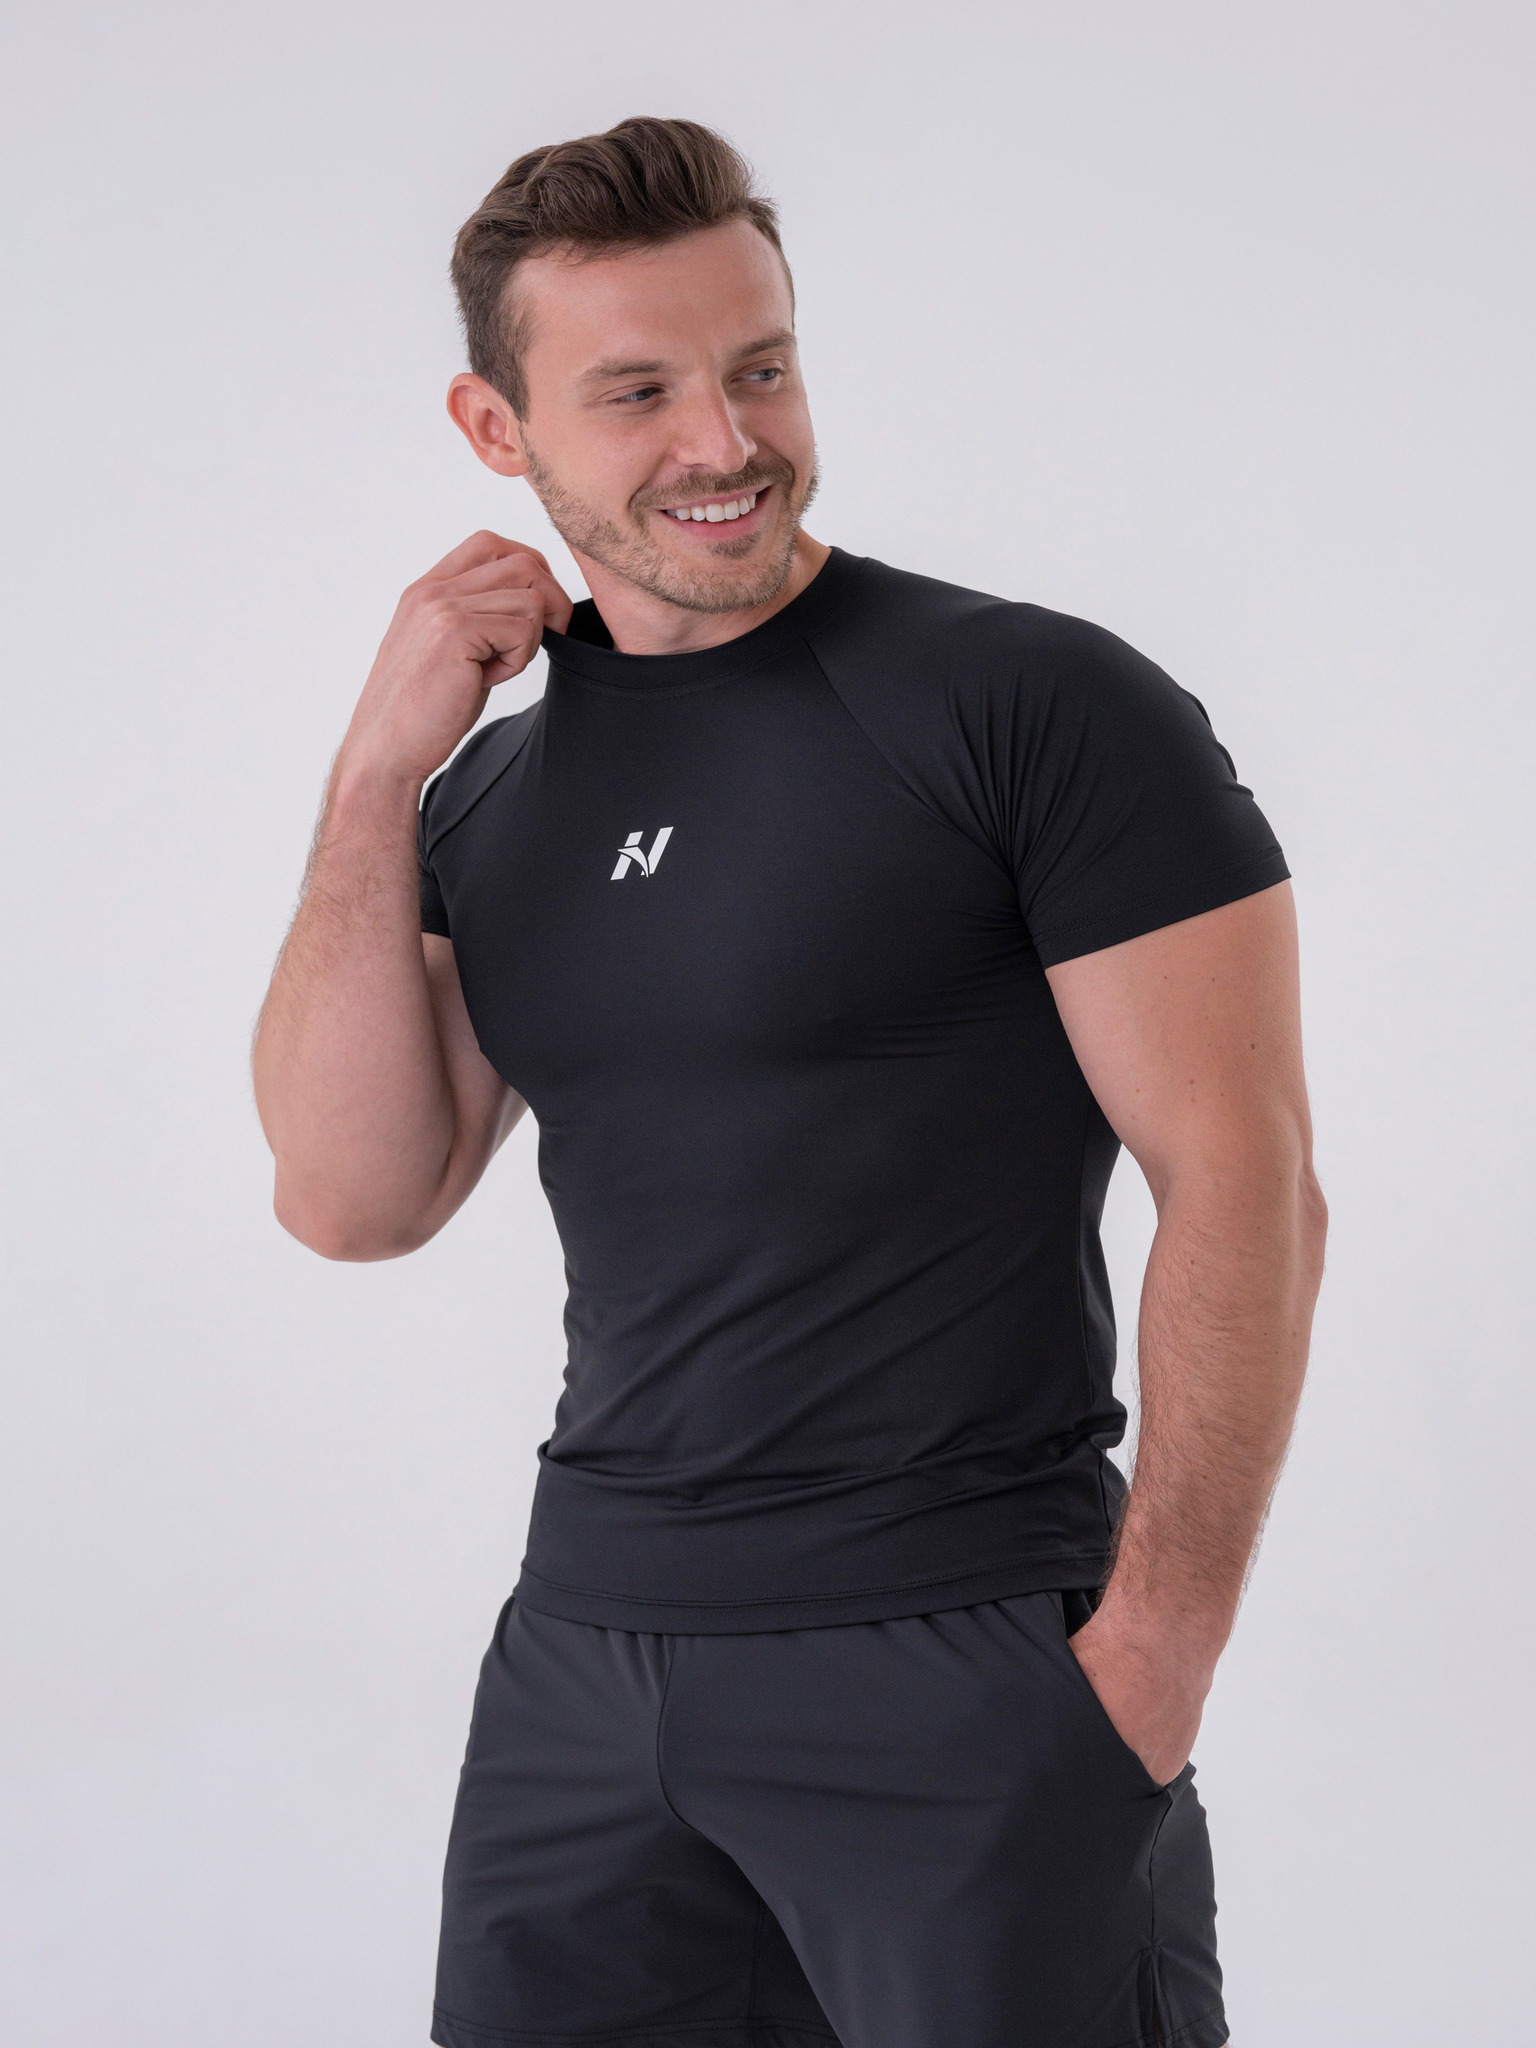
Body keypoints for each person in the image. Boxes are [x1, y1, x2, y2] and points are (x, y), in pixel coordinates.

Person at [252, 117, 1326, 2048]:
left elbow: (1245, 1182)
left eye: (759, 368)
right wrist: (372, 779)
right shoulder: (489, 793)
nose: (724, 442)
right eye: (638, 393)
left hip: (965, 1659)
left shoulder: (1031, 705)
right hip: (582, 1673)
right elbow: (352, 1199)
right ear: (496, 429)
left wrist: (1152, 1659)